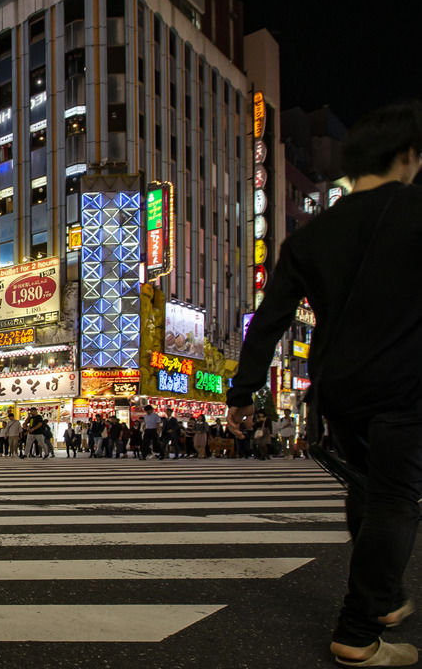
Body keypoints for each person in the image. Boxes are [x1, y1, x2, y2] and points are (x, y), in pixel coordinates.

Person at [226, 101, 422, 666]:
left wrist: (242, 393)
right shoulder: (418, 212)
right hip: (404, 380)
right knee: (395, 498)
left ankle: (382, 601)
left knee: (365, 489)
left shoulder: (311, 238)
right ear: (405, 156)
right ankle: (359, 630)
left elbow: (269, 321)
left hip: (338, 388)